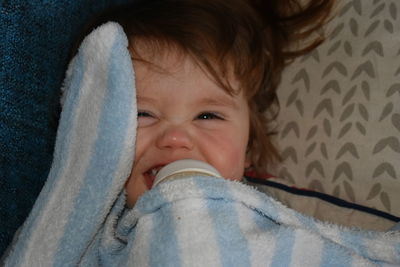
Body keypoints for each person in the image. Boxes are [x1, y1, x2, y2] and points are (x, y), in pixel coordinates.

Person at [89, 0, 334, 207]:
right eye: (142, 114)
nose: (175, 139)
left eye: (207, 116)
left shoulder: (275, 214)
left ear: (248, 146)